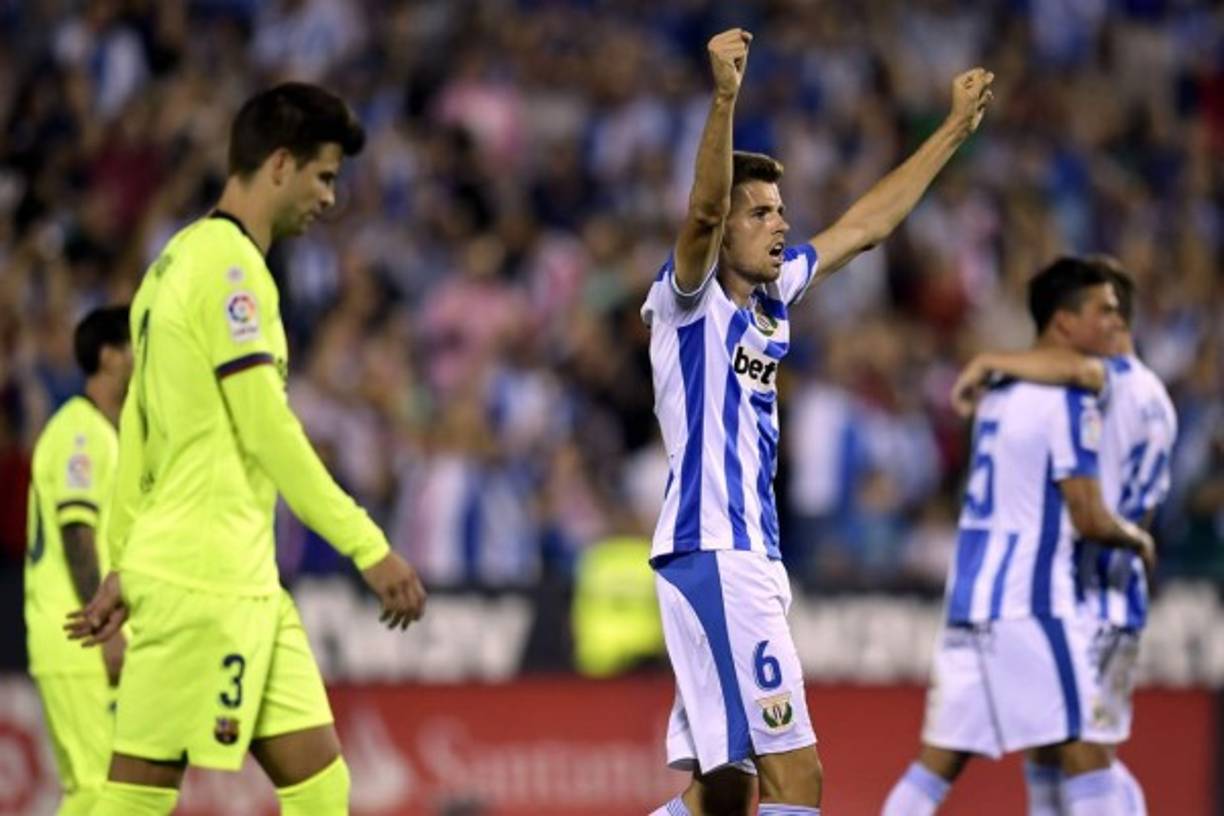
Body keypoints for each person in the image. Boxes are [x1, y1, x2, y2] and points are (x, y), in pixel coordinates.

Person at [642, 28, 993, 816]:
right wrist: (725, 97)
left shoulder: (774, 296)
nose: (780, 224)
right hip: (717, 552)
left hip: (739, 558)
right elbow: (703, 210)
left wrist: (951, 130)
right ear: (725, 232)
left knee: (722, 793)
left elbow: (867, 226)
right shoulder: (688, 301)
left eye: (782, 211)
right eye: (761, 213)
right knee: (798, 781)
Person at [66, 82, 427, 816]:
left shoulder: (171, 263)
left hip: (242, 579)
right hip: (203, 580)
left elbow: (139, 434)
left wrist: (123, 561)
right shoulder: (231, 272)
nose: (329, 197)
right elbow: (267, 428)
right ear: (280, 164)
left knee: (321, 788)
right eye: (324, 176)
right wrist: (368, 547)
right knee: (136, 798)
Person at [882, 258, 1157, 816]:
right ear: (1065, 321)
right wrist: (1138, 541)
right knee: (1088, 750)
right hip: (1031, 600)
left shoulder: (999, 391)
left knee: (935, 766)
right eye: (1102, 312)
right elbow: (1087, 514)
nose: (1115, 323)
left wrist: (988, 360)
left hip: (969, 599)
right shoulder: (1069, 398)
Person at [25, 306, 132, 815]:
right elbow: (76, 533)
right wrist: (104, 629)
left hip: (86, 631)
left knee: (111, 790)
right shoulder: (79, 433)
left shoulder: (105, 432)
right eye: (136, 345)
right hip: (76, 633)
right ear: (109, 357)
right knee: (96, 788)